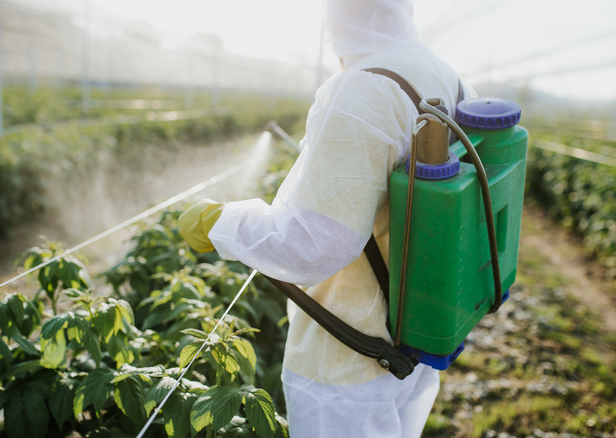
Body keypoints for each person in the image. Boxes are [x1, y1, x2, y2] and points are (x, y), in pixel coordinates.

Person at [178, 0, 473, 436]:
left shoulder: (364, 90)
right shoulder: (441, 73)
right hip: (416, 329)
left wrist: (221, 223)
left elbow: (315, 245)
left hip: (348, 358)